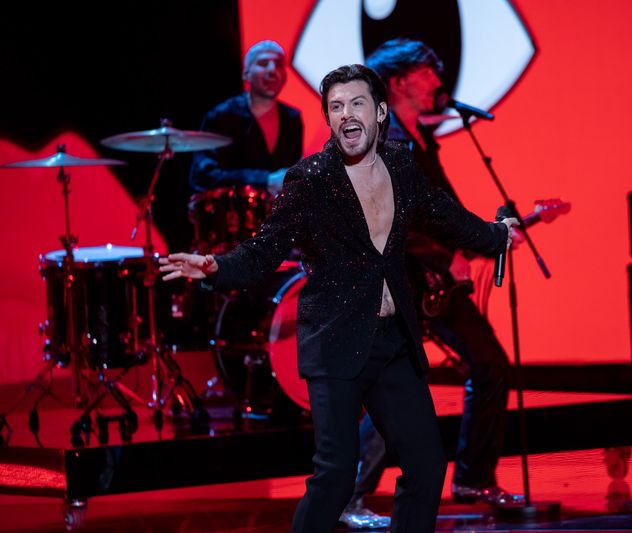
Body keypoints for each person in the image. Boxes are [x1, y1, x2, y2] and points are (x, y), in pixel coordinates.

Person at [159, 64, 518, 533]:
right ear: (329, 119)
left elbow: (444, 216)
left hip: (392, 342)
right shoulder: (309, 180)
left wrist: (496, 236)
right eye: (336, 107)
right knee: (334, 475)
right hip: (335, 342)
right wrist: (213, 266)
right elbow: (264, 250)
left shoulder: (402, 165)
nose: (346, 115)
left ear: (380, 112)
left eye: (357, 104)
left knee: (427, 465)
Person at [339, 39, 524, 529]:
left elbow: (440, 214)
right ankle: (349, 495)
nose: (438, 83)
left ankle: (473, 477)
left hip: (434, 279)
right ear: (398, 81)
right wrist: (447, 254)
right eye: (428, 73)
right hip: (400, 278)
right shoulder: (384, 140)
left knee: (489, 364)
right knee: (395, 385)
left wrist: (487, 238)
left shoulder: (421, 141)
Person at [189, 40, 303, 194]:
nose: (272, 69)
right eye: (263, 63)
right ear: (246, 74)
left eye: (278, 64)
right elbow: (203, 176)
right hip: (234, 213)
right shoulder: (221, 116)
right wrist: (265, 180)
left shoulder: (292, 118)